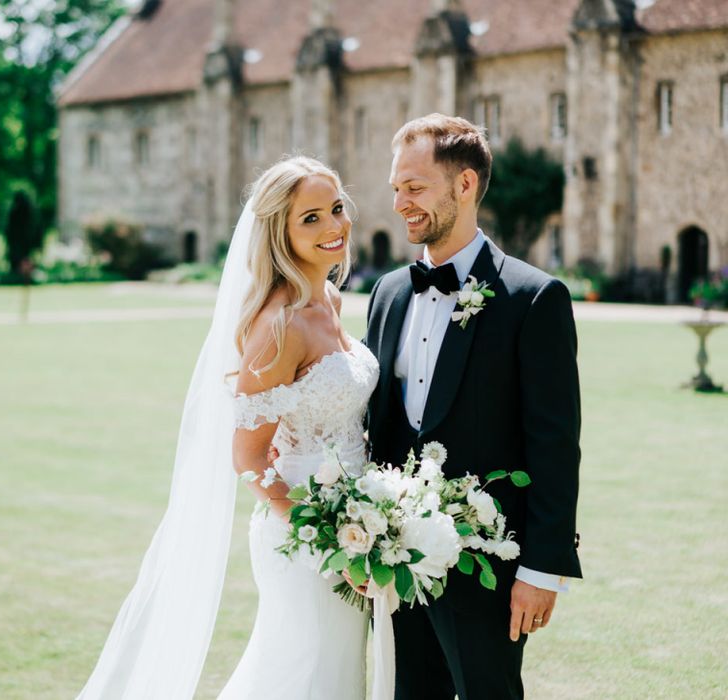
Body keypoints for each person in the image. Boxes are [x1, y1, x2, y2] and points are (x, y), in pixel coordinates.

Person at [76, 156, 378, 699]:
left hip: (358, 527)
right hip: (306, 537)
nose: (333, 227)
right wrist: (336, 540)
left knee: (336, 674)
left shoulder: (330, 301)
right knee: (297, 672)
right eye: (310, 218)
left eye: (336, 209)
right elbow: (249, 461)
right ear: (279, 232)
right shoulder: (278, 326)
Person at [364, 113, 583, 699]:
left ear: (464, 186)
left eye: (415, 188)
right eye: (396, 189)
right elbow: (380, 428)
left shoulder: (534, 298)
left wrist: (542, 570)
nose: (401, 203)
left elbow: (555, 445)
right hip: (395, 561)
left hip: (489, 567)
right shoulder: (387, 293)